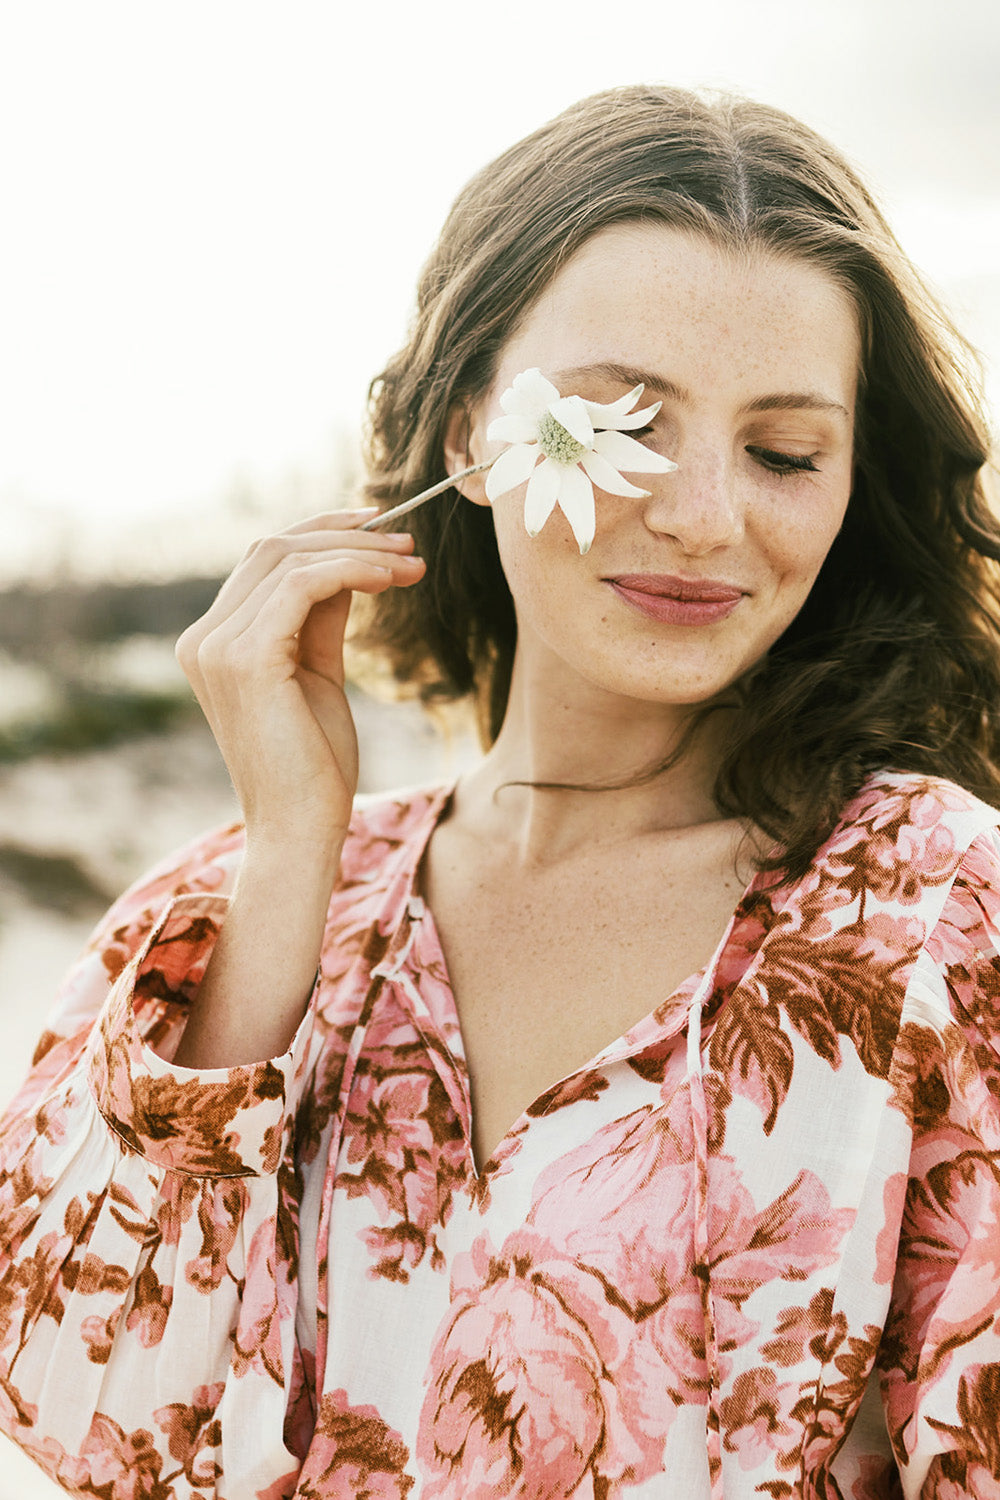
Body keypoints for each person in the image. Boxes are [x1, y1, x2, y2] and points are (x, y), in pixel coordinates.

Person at [1, 82, 999, 1500]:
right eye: (620, 423)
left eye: (786, 452)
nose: (706, 512)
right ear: (468, 431)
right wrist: (290, 869)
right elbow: (92, 1419)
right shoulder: (233, 916)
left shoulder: (934, 922)